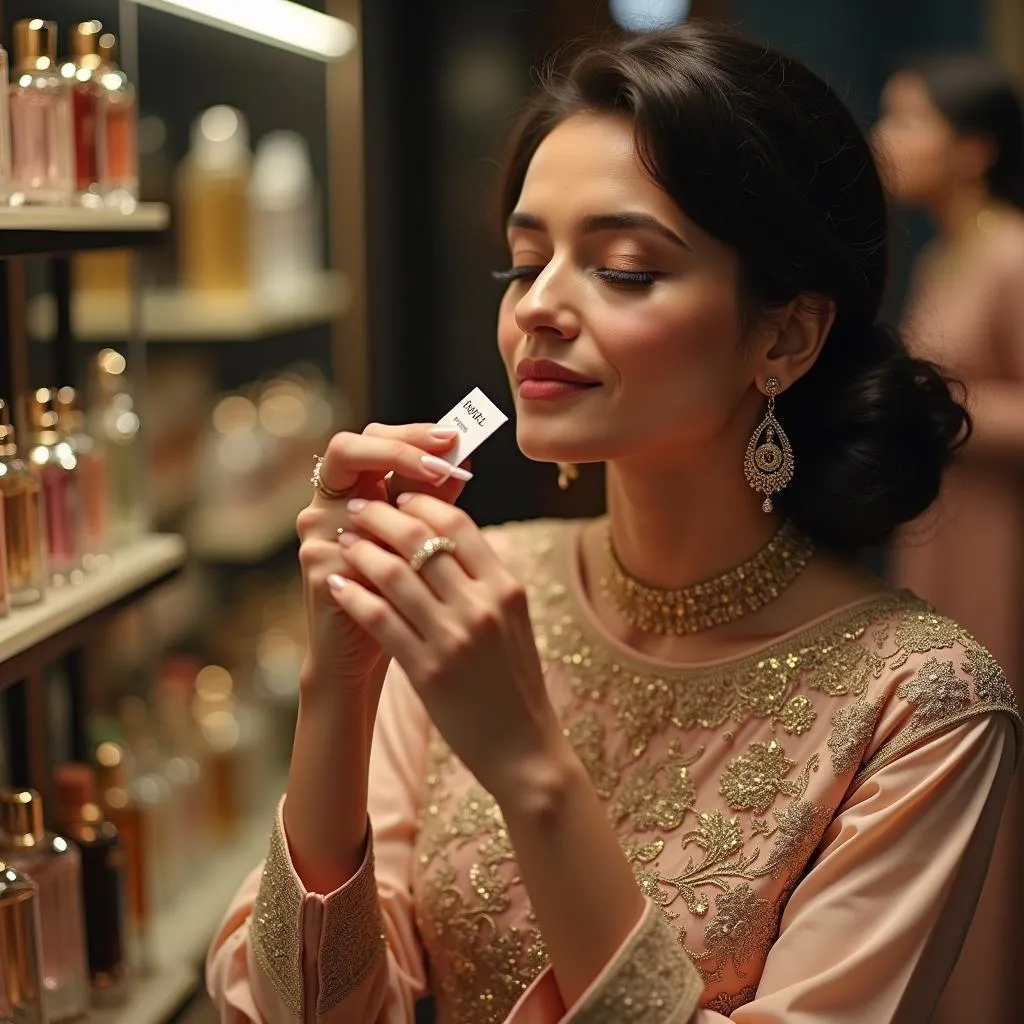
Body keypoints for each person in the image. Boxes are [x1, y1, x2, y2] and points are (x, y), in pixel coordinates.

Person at [209, 25, 1020, 1023]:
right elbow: (308, 1015)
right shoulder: (475, 592)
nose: (539, 307)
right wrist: (335, 685)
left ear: (786, 332)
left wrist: (532, 770)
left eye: (625, 269)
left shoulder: (922, 702)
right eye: (522, 263)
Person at [874, 55, 1024, 1024]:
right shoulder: (941, 251)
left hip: (1001, 549)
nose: (888, 137)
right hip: (940, 540)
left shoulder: (1012, 253)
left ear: (972, 148)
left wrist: (931, 401)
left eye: (908, 119)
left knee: (988, 779)